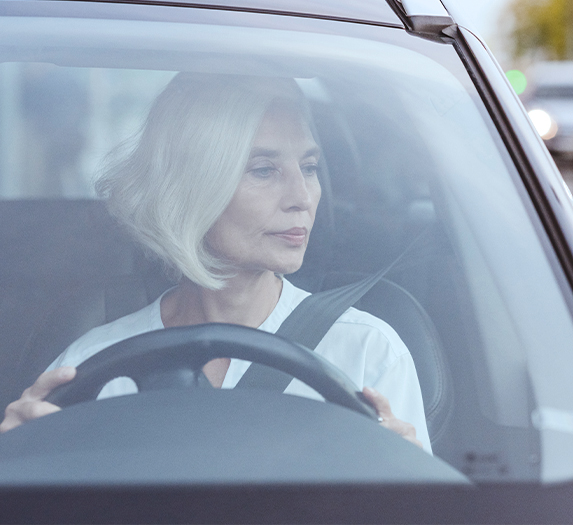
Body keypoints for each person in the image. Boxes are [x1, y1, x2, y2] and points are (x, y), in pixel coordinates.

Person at [0, 73, 431, 452]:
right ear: (190, 186)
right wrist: (12, 461)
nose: (302, 197)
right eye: (263, 170)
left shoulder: (368, 354)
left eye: (310, 166)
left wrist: (410, 497)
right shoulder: (90, 362)